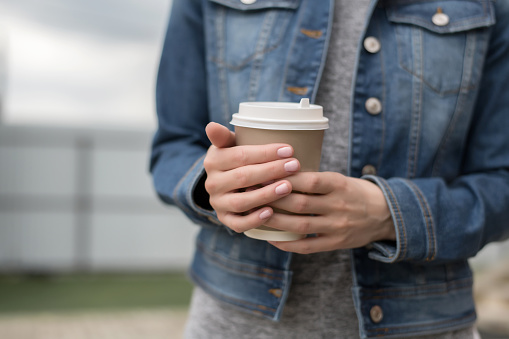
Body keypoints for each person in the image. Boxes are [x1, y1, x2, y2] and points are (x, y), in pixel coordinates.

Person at [150, 0, 509, 338]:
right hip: (233, 323)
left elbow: (501, 181)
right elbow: (174, 146)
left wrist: (391, 213)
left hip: (426, 326)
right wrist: (211, 185)